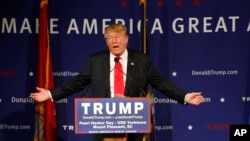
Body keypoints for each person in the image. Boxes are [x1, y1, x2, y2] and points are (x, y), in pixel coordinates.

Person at [30, 23, 204, 141]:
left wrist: (185, 96)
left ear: (126, 39)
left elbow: (162, 83)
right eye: (110, 38)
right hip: (103, 122)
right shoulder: (96, 61)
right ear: (106, 41)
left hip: (133, 122)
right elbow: (76, 83)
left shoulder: (142, 60)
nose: (115, 41)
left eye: (118, 37)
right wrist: (50, 93)